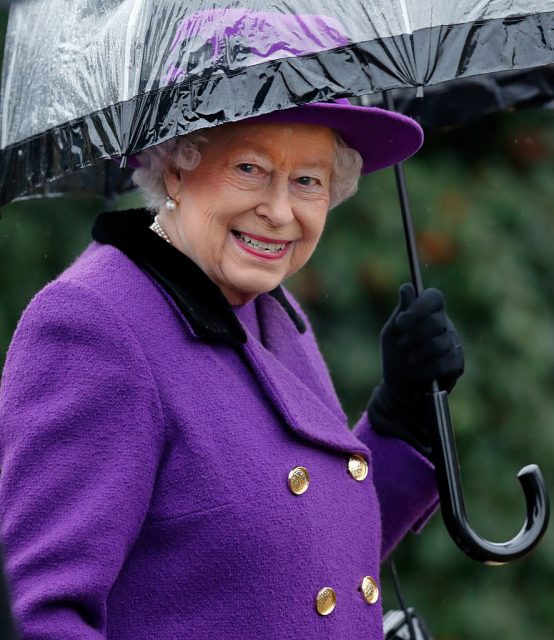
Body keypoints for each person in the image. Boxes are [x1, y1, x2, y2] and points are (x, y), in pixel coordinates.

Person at [0, 97, 463, 640]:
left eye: (308, 181)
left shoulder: (271, 310)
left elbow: (297, 565)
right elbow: (44, 618)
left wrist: (399, 417)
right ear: (175, 168)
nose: (280, 211)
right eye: (250, 169)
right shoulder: (92, 324)